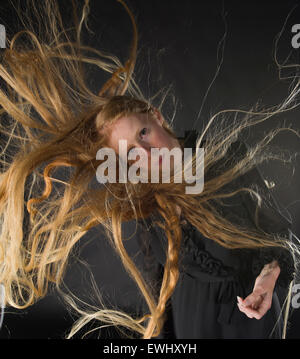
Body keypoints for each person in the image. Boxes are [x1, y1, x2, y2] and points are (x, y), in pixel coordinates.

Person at [0, 0, 298, 339]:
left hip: (248, 316)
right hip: (190, 320)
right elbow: (159, 284)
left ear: (156, 116)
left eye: (143, 133)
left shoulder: (228, 162)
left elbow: (281, 239)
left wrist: (268, 279)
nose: (146, 152)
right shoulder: (146, 200)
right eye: (129, 154)